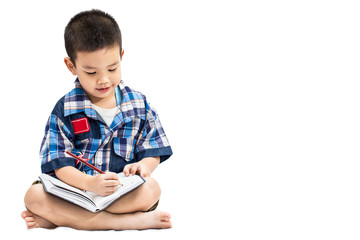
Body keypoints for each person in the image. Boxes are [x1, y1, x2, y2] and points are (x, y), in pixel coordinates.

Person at [21, 9, 173, 230]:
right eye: (91, 72)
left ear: (121, 56)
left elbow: (153, 150)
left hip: (120, 193)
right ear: (71, 66)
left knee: (152, 189)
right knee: (33, 195)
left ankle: (64, 218)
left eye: (112, 68)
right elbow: (60, 165)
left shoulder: (139, 105)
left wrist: (143, 166)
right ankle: (126, 222)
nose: (103, 80)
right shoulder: (65, 109)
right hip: (76, 191)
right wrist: (89, 184)